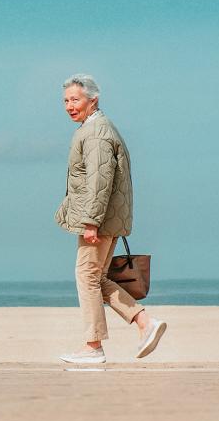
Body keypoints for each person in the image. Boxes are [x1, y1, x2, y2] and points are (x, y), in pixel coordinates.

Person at [55, 75, 165, 365]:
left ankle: (93, 347)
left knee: (86, 276)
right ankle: (144, 323)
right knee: (97, 278)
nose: (69, 106)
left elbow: (99, 180)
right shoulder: (96, 129)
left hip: (98, 219)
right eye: (66, 100)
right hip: (104, 217)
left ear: (93, 100)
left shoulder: (96, 133)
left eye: (75, 99)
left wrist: (91, 221)